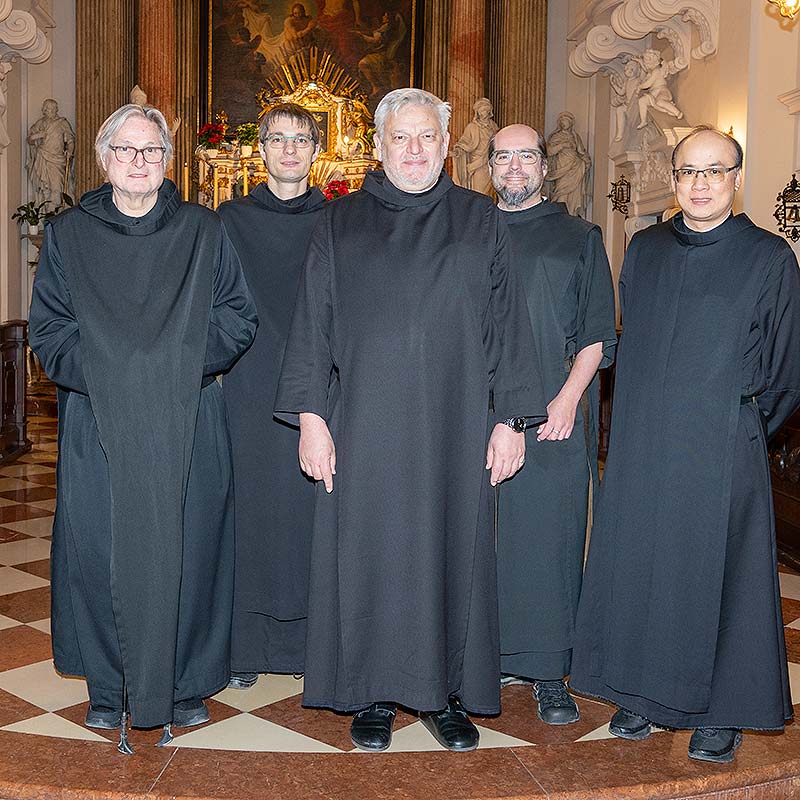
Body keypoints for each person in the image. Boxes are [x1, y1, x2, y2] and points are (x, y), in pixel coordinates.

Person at [275, 88, 546, 753]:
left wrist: (512, 418)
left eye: (427, 137)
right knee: (368, 555)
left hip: (456, 423)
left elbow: (508, 323)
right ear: (379, 145)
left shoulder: (481, 220)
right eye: (401, 137)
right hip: (363, 424)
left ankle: (445, 692)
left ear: (447, 146)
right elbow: (312, 324)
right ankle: (371, 691)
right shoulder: (339, 224)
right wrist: (312, 417)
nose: (416, 149)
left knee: (451, 552)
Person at [570, 126, 800, 763]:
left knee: (720, 575)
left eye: (714, 171)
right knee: (647, 567)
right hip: (646, 442)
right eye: (688, 172)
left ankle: (718, 712)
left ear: (736, 179)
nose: (700, 184)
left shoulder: (770, 258)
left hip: (724, 444)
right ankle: (642, 693)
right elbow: (633, 344)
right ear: (673, 181)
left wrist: (740, 423)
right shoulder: (643, 248)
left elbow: (787, 368)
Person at [28, 104, 257, 740]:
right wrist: (115, 372)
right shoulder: (68, 234)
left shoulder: (203, 231)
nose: (139, 162)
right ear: (104, 160)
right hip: (99, 421)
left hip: (188, 416)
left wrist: (175, 366)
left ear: (168, 160)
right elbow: (48, 333)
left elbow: (239, 317)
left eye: (152, 151)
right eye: (127, 151)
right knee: (98, 551)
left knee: (190, 545)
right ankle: (109, 686)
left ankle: (182, 685)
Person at [488, 124, 617, 725]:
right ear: (487, 167)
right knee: (485, 544)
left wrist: (567, 399)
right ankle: (481, 657)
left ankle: (547, 671)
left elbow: (595, 332)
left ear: (544, 166)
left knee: (550, 542)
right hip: (480, 416)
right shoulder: (469, 232)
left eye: (526, 157)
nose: (515, 167)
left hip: (553, 418)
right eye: (503, 157)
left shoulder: (580, 236)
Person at [217, 103, 325, 689]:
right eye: (278, 139)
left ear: (317, 150)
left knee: (311, 516)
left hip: (316, 389)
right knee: (251, 512)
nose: (289, 149)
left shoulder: (339, 221)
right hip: (249, 385)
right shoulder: (229, 220)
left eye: (301, 139)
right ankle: (247, 647)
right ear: (261, 149)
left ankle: (310, 645)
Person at [27, 98, 75, 212]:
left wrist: (70, 151)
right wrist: (38, 135)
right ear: (44, 110)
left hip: (57, 160)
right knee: (45, 188)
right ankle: (48, 214)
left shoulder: (62, 123)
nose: (51, 111)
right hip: (43, 157)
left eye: (53, 109)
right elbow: (30, 140)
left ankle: (55, 213)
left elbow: (70, 140)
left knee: (57, 187)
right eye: (48, 109)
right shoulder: (40, 123)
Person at [546, 112, 591, 218]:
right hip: (561, 170)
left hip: (575, 167)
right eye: (562, 121)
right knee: (561, 194)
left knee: (573, 196)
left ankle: (572, 215)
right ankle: (561, 217)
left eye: (566, 121)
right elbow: (549, 151)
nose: (564, 123)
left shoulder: (575, 137)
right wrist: (562, 145)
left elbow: (581, 151)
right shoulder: (555, 136)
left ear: (570, 123)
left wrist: (586, 161)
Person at [451, 98, 499, 196]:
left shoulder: (494, 127)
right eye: (482, 110)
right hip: (478, 164)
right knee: (479, 192)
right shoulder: (472, 127)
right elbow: (464, 142)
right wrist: (458, 151)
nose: (484, 113)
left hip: (490, 162)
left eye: (486, 110)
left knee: (492, 191)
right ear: (478, 112)